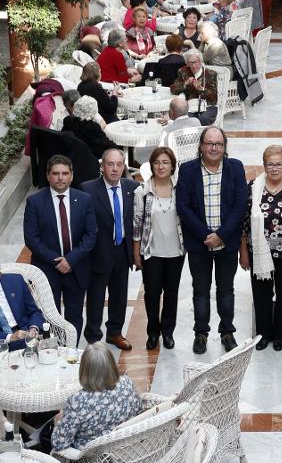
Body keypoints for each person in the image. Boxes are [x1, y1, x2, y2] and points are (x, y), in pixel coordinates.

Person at [177, 127, 248, 354]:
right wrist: (206, 235)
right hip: (199, 244)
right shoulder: (187, 170)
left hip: (227, 243)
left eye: (218, 144)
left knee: (226, 290)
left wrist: (221, 235)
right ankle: (201, 333)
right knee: (200, 291)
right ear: (201, 146)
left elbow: (240, 205)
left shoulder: (235, 168)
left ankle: (227, 332)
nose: (213, 148)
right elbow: (183, 207)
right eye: (209, 143)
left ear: (224, 147)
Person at [23, 155, 97, 341]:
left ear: (72, 175)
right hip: (48, 270)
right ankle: (54, 355)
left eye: (65, 173)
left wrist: (70, 260)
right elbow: (31, 238)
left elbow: (91, 234)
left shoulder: (84, 200)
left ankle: (71, 352)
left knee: (74, 318)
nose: (60, 178)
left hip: (76, 268)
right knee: (49, 319)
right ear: (48, 176)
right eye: (56, 174)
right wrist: (57, 261)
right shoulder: (35, 202)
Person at [239, 144, 282, 352]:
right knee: (261, 295)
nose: (274, 168)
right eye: (270, 164)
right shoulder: (252, 187)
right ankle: (264, 334)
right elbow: (243, 222)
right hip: (259, 251)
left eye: (278, 164)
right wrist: (244, 252)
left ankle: (279, 335)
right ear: (264, 165)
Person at [81, 148, 140, 350]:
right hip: (98, 252)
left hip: (122, 251)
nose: (115, 169)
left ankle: (114, 333)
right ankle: (93, 337)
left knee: (119, 295)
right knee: (96, 297)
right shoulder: (87, 189)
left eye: (119, 164)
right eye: (110, 164)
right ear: (102, 166)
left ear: (124, 166)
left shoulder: (133, 188)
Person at [133, 147, 185, 351]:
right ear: (151, 166)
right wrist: (136, 253)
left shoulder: (180, 189)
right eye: (157, 162)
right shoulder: (142, 192)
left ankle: (168, 332)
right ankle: (153, 331)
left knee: (171, 293)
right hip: (151, 251)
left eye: (166, 162)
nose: (161, 166)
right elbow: (136, 225)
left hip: (176, 251)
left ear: (172, 166)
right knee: (152, 294)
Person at [51, 342, 142, 452]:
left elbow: (59, 444)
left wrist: (58, 421)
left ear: (84, 370)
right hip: (126, 450)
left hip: (91, 459)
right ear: (112, 365)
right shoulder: (127, 383)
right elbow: (139, 413)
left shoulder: (78, 401)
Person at [62, 95, 119, 160]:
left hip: (71, 156)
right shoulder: (92, 127)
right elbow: (108, 145)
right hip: (90, 160)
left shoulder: (68, 121)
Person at [0, 272, 44, 349]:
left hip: (26, 332)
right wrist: (10, 337)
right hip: (3, 340)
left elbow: (34, 312)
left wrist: (33, 328)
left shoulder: (16, 280)